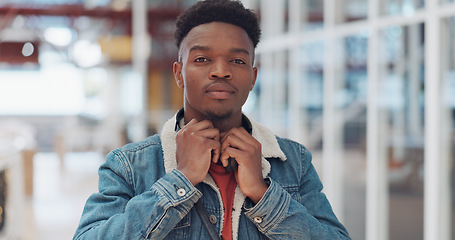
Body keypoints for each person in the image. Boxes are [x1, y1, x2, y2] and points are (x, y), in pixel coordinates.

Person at [73, 0, 351, 239]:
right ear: (179, 73)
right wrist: (179, 181)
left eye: (238, 61)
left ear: (253, 77)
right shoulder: (130, 165)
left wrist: (263, 193)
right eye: (203, 59)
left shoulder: (293, 161)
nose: (221, 71)